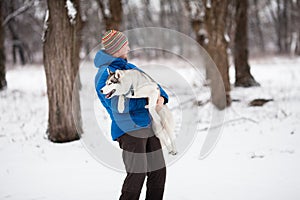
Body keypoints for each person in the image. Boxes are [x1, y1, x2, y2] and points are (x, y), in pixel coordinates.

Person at [94, 30, 168, 200]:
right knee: (137, 174)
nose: (128, 47)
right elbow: (117, 105)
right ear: (117, 48)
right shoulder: (104, 74)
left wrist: (161, 96)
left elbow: (152, 83)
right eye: (125, 44)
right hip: (128, 129)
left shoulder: (130, 67)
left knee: (158, 171)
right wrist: (147, 100)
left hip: (148, 125)